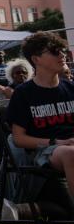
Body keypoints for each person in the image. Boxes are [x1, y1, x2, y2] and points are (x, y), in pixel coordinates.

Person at [6, 31, 74, 201]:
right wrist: (55, 142)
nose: (62, 55)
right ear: (36, 60)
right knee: (71, 153)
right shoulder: (24, 94)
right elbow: (18, 139)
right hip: (45, 150)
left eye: (62, 50)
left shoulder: (70, 88)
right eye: (54, 51)